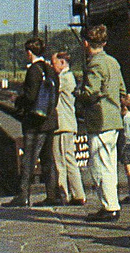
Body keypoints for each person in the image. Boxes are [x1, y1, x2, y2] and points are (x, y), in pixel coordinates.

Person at [75, 24, 127, 221]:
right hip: (113, 120)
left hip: (99, 121)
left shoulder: (95, 64)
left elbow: (90, 92)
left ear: (86, 43)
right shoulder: (113, 62)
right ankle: (112, 204)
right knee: (110, 165)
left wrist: (77, 93)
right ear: (103, 43)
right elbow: (122, 90)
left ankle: (109, 207)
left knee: (99, 166)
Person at [7, 36, 59, 207]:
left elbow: (30, 97)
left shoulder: (34, 71)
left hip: (35, 124)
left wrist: (17, 99)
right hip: (49, 121)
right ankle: (53, 195)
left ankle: (23, 196)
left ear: (29, 53)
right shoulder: (50, 69)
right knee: (48, 160)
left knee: (29, 160)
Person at [51, 52, 85, 205]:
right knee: (68, 159)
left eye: (54, 63)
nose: (52, 67)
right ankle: (76, 193)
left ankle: (66, 194)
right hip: (66, 124)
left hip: (62, 124)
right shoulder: (68, 77)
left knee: (62, 160)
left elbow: (51, 90)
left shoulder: (64, 78)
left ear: (62, 62)